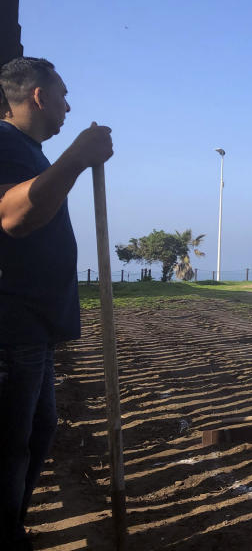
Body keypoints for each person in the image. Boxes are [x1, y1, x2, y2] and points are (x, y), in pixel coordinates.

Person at [0, 57, 113, 550]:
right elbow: (13, 217)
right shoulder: (3, 143)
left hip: (35, 326)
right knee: (9, 444)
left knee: (37, 431)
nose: (69, 106)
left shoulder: (28, 150)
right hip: (12, 324)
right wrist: (77, 157)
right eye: (63, 94)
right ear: (38, 96)